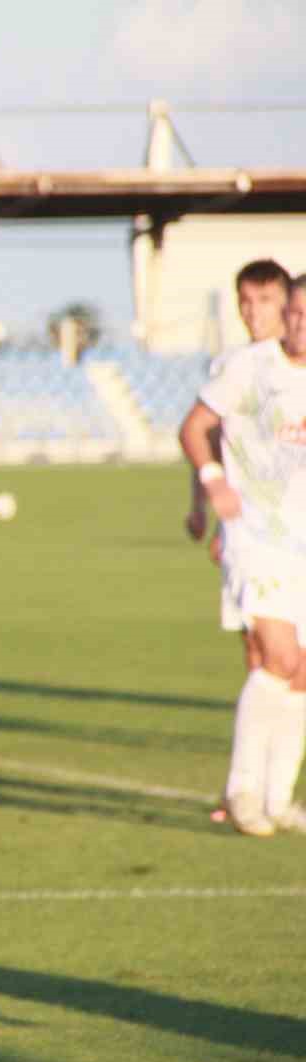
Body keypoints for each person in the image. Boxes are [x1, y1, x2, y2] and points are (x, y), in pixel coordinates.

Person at [179, 275, 306, 837]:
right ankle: (243, 791)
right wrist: (210, 490)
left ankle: (279, 800)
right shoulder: (246, 367)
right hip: (255, 538)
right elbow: (197, 429)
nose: (295, 322)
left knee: (298, 674)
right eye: (296, 312)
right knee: (274, 658)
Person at [184, 259, 291, 677]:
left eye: (265, 300)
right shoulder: (230, 367)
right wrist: (204, 507)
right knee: (257, 647)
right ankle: (263, 741)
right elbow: (204, 441)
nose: (253, 312)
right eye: (245, 301)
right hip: (249, 531)